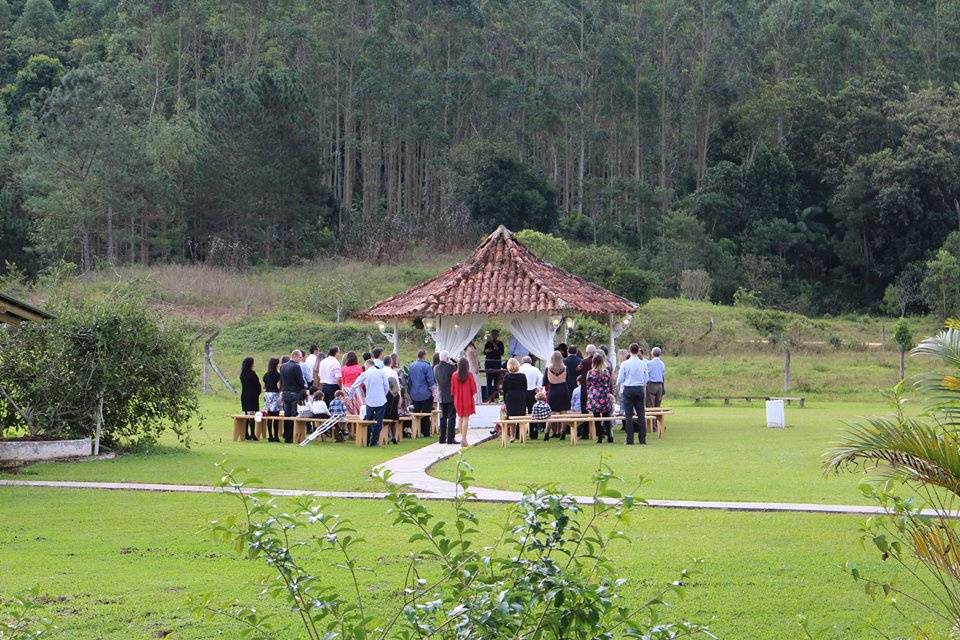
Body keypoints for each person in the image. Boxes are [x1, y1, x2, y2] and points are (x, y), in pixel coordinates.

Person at [348, 359, 390, 446]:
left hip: (370, 400)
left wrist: (350, 396)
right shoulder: (381, 372)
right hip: (381, 400)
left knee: (368, 420)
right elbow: (386, 386)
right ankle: (374, 441)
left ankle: (366, 440)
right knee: (379, 421)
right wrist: (383, 394)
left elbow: (355, 385)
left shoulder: (365, 373)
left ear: (367, 365)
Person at [616, 343, 649, 445]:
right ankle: (642, 439)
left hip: (628, 389)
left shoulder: (625, 364)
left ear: (629, 351)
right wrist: (641, 383)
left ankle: (630, 439)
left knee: (628, 416)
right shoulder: (643, 363)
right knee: (641, 415)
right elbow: (647, 378)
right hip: (639, 388)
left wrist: (620, 385)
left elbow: (620, 379)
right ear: (638, 351)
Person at [586, 353, 614, 444]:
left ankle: (599, 436)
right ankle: (609, 435)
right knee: (606, 416)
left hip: (594, 396)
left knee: (596, 416)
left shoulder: (590, 372)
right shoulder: (606, 372)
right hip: (604, 395)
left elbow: (588, 384)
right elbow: (609, 383)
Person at [280, 351, 307, 442]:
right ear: (295, 356)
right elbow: (301, 381)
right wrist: (304, 388)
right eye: (300, 357)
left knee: (287, 416)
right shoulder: (296, 366)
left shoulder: (283, 366)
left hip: (285, 393)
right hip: (294, 393)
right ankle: (294, 435)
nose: (301, 359)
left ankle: (287, 436)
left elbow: (282, 380)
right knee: (294, 415)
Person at [408, 349, 437, 437]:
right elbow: (430, 381)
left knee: (417, 412)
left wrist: (410, 392)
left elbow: (409, 381)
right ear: (424, 355)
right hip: (425, 393)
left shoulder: (412, 366)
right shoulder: (427, 366)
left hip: (414, 393)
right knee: (426, 413)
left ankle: (417, 430)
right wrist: (434, 391)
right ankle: (425, 432)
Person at [450, 357, 478, 447]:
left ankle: (462, 437)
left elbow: (453, 390)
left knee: (460, 418)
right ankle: (464, 439)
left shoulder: (454, 375)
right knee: (466, 418)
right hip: (467, 398)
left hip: (457, 399)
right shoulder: (469, 375)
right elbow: (473, 389)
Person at [544, 351, 570, 441]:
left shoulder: (548, 369)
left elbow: (545, 382)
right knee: (564, 413)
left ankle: (547, 432)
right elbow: (568, 379)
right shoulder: (565, 368)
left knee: (551, 413)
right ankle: (563, 432)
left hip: (553, 391)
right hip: (563, 390)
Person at [434, 350, 457, 445]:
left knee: (443, 417)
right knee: (451, 417)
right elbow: (457, 375)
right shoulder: (451, 367)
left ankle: (442, 438)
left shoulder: (435, 368)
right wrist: (455, 361)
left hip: (441, 395)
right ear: (447, 358)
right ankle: (450, 438)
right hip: (451, 394)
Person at [239, 357, 261, 440]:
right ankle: (252, 433)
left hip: (244, 395)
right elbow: (257, 385)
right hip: (252, 396)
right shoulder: (252, 374)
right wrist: (258, 392)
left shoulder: (242, 374)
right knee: (252, 415)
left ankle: (246, 433)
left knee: (246, 414)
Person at [262, 357, 282, 442]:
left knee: (269, 416)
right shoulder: (278, 375)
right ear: (276, 365)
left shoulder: (266, 375)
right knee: (276, 416)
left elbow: (264, 386)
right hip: (274, 394)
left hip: (267, 395)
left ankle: (270, 435)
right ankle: (276, 435)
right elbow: (278, 386)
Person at [483, 330, 505, 401]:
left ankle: (496, 397)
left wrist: (495, 345)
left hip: (497, 364)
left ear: (497, 335)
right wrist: (487, 351)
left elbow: (501, 352)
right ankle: (489, 397)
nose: (494, 336)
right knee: (489, 381)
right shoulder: (488, 343)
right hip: (489, 363)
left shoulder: (500, 343)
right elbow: (484, 352)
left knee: (496, 381)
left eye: (495, 334)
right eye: (493, 335)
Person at [340, 351, 365, 415]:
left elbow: (343, 381)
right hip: (357, 389)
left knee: (347, 408)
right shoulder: (359, 368)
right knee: (359, 408)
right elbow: (362, 381)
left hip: (346, 389)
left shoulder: (343, 369)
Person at [577, 345, 596, 413]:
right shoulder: (596, 361)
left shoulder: (584, 361)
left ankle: (585, 422)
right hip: (595, 386)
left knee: (584, 405)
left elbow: (578, 370)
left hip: (585, 385)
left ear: (587, 351)